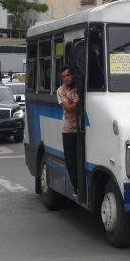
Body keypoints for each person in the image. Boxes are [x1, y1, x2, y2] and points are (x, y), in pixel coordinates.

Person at [57, 65, 80, 194]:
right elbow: (69, 108)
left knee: (81, 157)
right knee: (70, 160)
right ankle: (76, 187)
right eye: (63, 77)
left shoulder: (81, 85)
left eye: (68, 75)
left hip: (83, 128)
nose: (66, 78)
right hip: (68, 129)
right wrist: (76, 103)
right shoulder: (61, 91)